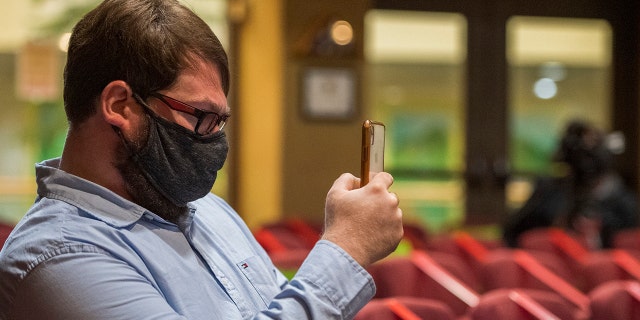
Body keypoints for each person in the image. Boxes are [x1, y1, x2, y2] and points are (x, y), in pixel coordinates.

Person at [0, 1, 403, 318]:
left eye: (221, 122)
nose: (215, 142)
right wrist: (346, 247)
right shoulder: (59, 256)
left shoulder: (209, 212)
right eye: (202, 117)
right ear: (120, 105)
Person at [503, 120, 639, 249]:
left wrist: (597, 234)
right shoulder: (550, 193)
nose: (584, 164)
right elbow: (512, 234)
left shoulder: (623, 203)